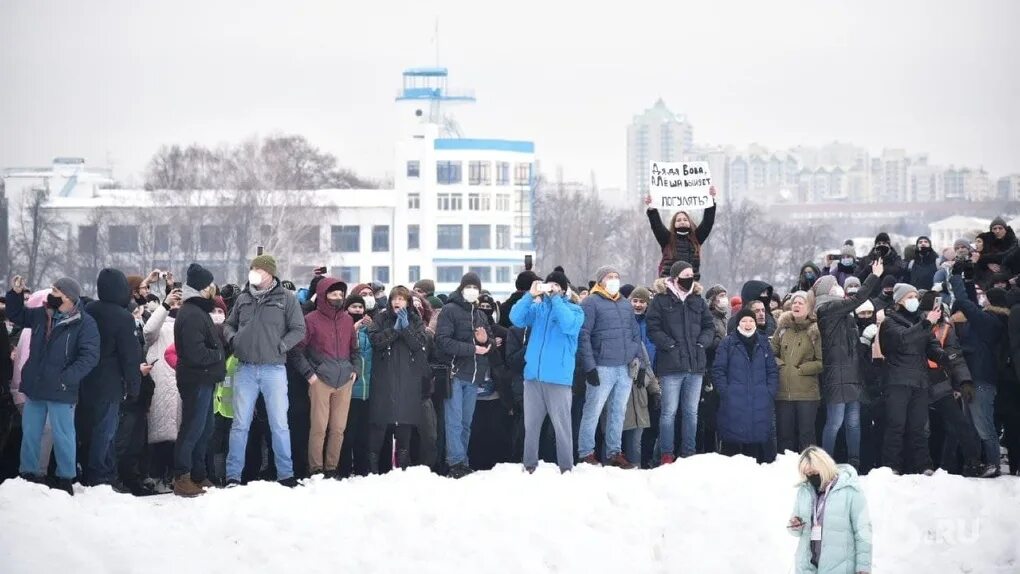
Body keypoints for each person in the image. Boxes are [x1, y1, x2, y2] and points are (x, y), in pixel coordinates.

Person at [7, 275, 100, 495]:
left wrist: (66, 377)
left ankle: (65, 478)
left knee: (64, 435)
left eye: (56, 291)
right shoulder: (42, 314)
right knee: (31, 432)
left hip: (62, 389)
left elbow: (90, 356)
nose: (52, 294)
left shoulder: (84, 323)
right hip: (36, 386)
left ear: (68, 297)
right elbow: (17, 315)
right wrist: (16, 294)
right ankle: (28, 473)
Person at [224, 254, 307, 487]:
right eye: (253, 269)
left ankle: (286, 474)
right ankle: (233, 475)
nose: (255, 273)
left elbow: (299, 329)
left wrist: (281, 346)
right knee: (240, 424)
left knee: (279, 424)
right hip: (246, 369)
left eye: (259, 270)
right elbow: (229, 324)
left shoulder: (287, 298)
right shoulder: (243, 298)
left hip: (274, 370)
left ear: (270, 273)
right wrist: (234, 340)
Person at [510, 268, 584, 473]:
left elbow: (569, 325)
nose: (550, 289)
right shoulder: (538, 310)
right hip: (533, 377)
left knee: (562, 428)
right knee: (531, 426)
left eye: (556, 286)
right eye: (548, 285)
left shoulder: (575, 311)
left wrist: (557, 299)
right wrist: (529, 296)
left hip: (558, 379)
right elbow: (515, 318)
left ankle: (566, 467)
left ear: (564, 290)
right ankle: (529, 465)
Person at [288, 277, 360, 479]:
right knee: (319, 428)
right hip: (320, 380)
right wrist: (310, 374)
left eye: (340, 294)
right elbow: (296, 351)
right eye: (333, 294)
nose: (338, 298)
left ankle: (331, 467)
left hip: (344, 380)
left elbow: (355, 350)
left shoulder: (347, 320)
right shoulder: (311, 319)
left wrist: (355, 370)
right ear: (323, 295)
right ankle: (316, 468)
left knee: (338, 428)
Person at [814, 261, 882, 470]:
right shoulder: (827, 309)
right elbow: (859, 298)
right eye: (835, 284)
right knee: (835, 423)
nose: (839, 287)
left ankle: (855, 462)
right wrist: (874, 276)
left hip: (852, 375)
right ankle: (827, 463)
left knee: (853, 423)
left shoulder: (843, 313)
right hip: (837, 376)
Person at [920, 293, 997, 478]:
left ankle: (973, 463)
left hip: (940, 381)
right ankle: (922, 465)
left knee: (960, 425)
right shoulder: (916, 325)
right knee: (922, 428)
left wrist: (964, 381)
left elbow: (955, 356)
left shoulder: (946, 328)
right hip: (918, 383)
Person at [646, 261, 715, 463]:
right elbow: (653, 328)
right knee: (668, 412)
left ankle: (689, 453)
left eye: (691, 274)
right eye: (685, 274)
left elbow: (709, 326)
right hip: (671, 366)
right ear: (675, 277)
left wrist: (702, 343)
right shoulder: (660, 300)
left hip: (695, 366)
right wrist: (669, 345)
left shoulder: (698, 301)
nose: (689, 277)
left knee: (691, 412)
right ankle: (667, 453)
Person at [80, 268, 143, 487]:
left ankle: (101, 473)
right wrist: (135, 386)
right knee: (106, 431)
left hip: (87, 379)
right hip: (111, 382)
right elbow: (130, 356)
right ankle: (101, 476)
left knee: (94, 429)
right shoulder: (123, 317)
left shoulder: (89, 310)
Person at [576, 266, 643, 468]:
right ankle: (586, 452)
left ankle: (614, 452)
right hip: (601, 366)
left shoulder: (624, 304)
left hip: (624, 367)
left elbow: (635, 333)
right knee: (593, 411)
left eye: (616, 277)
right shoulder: (590, 302)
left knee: (618, 412)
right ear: (601, 280)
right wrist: (589, 367)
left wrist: (633, 354)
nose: (614, 280)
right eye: (609, 277)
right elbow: (584, 335)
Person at [878, 283, 946, 475]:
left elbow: (931, 346)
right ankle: (892, 466)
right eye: (909, 296)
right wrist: (926, 324)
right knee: (896, 426)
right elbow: (902, 339)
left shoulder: (921, 321)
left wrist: (945, 357)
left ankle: (924, 465)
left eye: (915, 296)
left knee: (918, 428)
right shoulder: (889, 322)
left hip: (920, 381)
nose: (914, 300)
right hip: (898, 380)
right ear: (899, 300)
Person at [172, 264, 226, 496]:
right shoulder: (192, 313)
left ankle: (197, 473)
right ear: (203, 288)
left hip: (204, 379)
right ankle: (182, 476)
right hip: (196, 380)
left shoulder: (197, 311)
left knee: (205, 428)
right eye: (210, 284)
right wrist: (219, 353)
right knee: (192, 428)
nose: (213, 288)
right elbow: (196, 353)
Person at [435, 272, 493, 478]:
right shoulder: (449, 310)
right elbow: (442, 341)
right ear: (461, 288)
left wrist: (485, 341)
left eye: (475, 288)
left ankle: (463, 460)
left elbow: (490, 341)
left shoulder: (480, 314)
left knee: (466, 421)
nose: (472, 291)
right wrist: (472, 348)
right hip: (455, 373)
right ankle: (455, 462)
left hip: (474, 375)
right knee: (454, 420)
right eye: (468, 287)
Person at [949, 273, 1008, 473]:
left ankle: (993, 463)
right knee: (972, 426)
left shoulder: (992, 322)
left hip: (982, 380)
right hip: (972, 379)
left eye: (986, 298)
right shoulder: (990, 320)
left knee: (983, 425)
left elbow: (966, 304)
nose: (983, 301)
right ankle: (977, 463)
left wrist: (956, 279)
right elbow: (971, 306)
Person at [367, 286, 430, 473]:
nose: (397, 302)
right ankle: (373, 471)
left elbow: (418, 344)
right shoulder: (381, 318)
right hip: (383, 381)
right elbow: (376, 341)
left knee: (404, 427)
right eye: (395, 298)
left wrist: (406, 328)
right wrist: (394, 330)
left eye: (402, 299)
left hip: (407, 381)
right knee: (378, 427)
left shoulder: (415, 320)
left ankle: (403, 469)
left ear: (408, 302)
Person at [787, 446, 871, 574]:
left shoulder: (850, 491)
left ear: (824, 467)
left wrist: (863, 568)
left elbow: (863, 532)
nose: (812, 477)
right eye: (808, 474)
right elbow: (796, 531)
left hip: (840, 567)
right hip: (807, 567)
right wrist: (795, 525)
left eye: (815, 473)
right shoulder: (804, 491)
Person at [713, 308, 778, 462]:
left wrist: (769, 392)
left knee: (754, 448)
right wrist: (726, 392)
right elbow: (718, 370)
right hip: (734, 401)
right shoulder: (728, 343)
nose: (748, 324)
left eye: (751, 320)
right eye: (744, 321)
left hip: (760, 400)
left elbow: (772, 370)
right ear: (738, 323)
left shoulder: (763, 343)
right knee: (732, 447)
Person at [141, 285, 184, 490]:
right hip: (161, 384)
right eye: (174, 301)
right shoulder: (160, 324)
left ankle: (172, 476)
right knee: (161, 435)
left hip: (180, 384)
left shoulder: (186, 323)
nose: (177, 304)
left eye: (180, 301)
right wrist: (165, 305)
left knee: (178, 436)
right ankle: (156, 476)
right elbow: (148, 330)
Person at [772, 292, 822, 454]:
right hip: (783, 392)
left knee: (806, 436)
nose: (797, 305)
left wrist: (801, 369)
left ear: (809, 307)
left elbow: (822, 362)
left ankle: (809, 469)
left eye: (801, 303)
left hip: (807, 394)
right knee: (784, 435)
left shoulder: (815, 330)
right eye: (795, 303)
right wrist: (782, 365)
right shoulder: (782, 329)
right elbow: (770, 354)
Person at [622, 287, 660, 467]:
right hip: (630, 375)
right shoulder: (625, 322)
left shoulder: (651, 323)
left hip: (649, 375)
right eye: (635, 301)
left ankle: (645, 460)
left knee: (648, 422)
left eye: (642, 302)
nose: (638, 305)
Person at [644, 187, 718, 279]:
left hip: (690, 284)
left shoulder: (696, 238)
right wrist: (652, 208)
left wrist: (711, 200)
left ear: (689, 223)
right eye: (678, 220)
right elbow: (657, 225)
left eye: (685, 219)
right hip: (669, 284)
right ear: (674, 224)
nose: (682, 221)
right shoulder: (667, 239)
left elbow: (708, 222)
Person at [338, 295, 373, 478]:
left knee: (363, 434)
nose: (358, 310)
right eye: (354, 306)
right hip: (348, 390)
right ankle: (343, 469)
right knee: (347, 433)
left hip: (366, 392)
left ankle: (362, 469)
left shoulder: (369, 330)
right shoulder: (343, 327)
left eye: (361, 307)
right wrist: (353, 329)